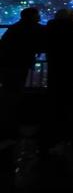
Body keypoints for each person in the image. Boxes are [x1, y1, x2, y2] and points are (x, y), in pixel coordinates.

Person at [40, 9, 73, 152]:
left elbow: (42, 45)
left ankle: (53, 130)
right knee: (71, 98)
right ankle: (69, 130)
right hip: (72, 68)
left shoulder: (49, 29)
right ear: (70, 18)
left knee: (55, 98)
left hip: (55, 68)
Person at [0, 8, 45, 139]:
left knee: (9, 92)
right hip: (18, 64)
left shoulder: (15, 27)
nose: (39, 16)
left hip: (8, 63)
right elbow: (41, 43)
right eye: (37, 14)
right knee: (14, 93)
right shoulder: (33, 28)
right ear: (31, 16)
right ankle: (10, 125)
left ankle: (7, 124)